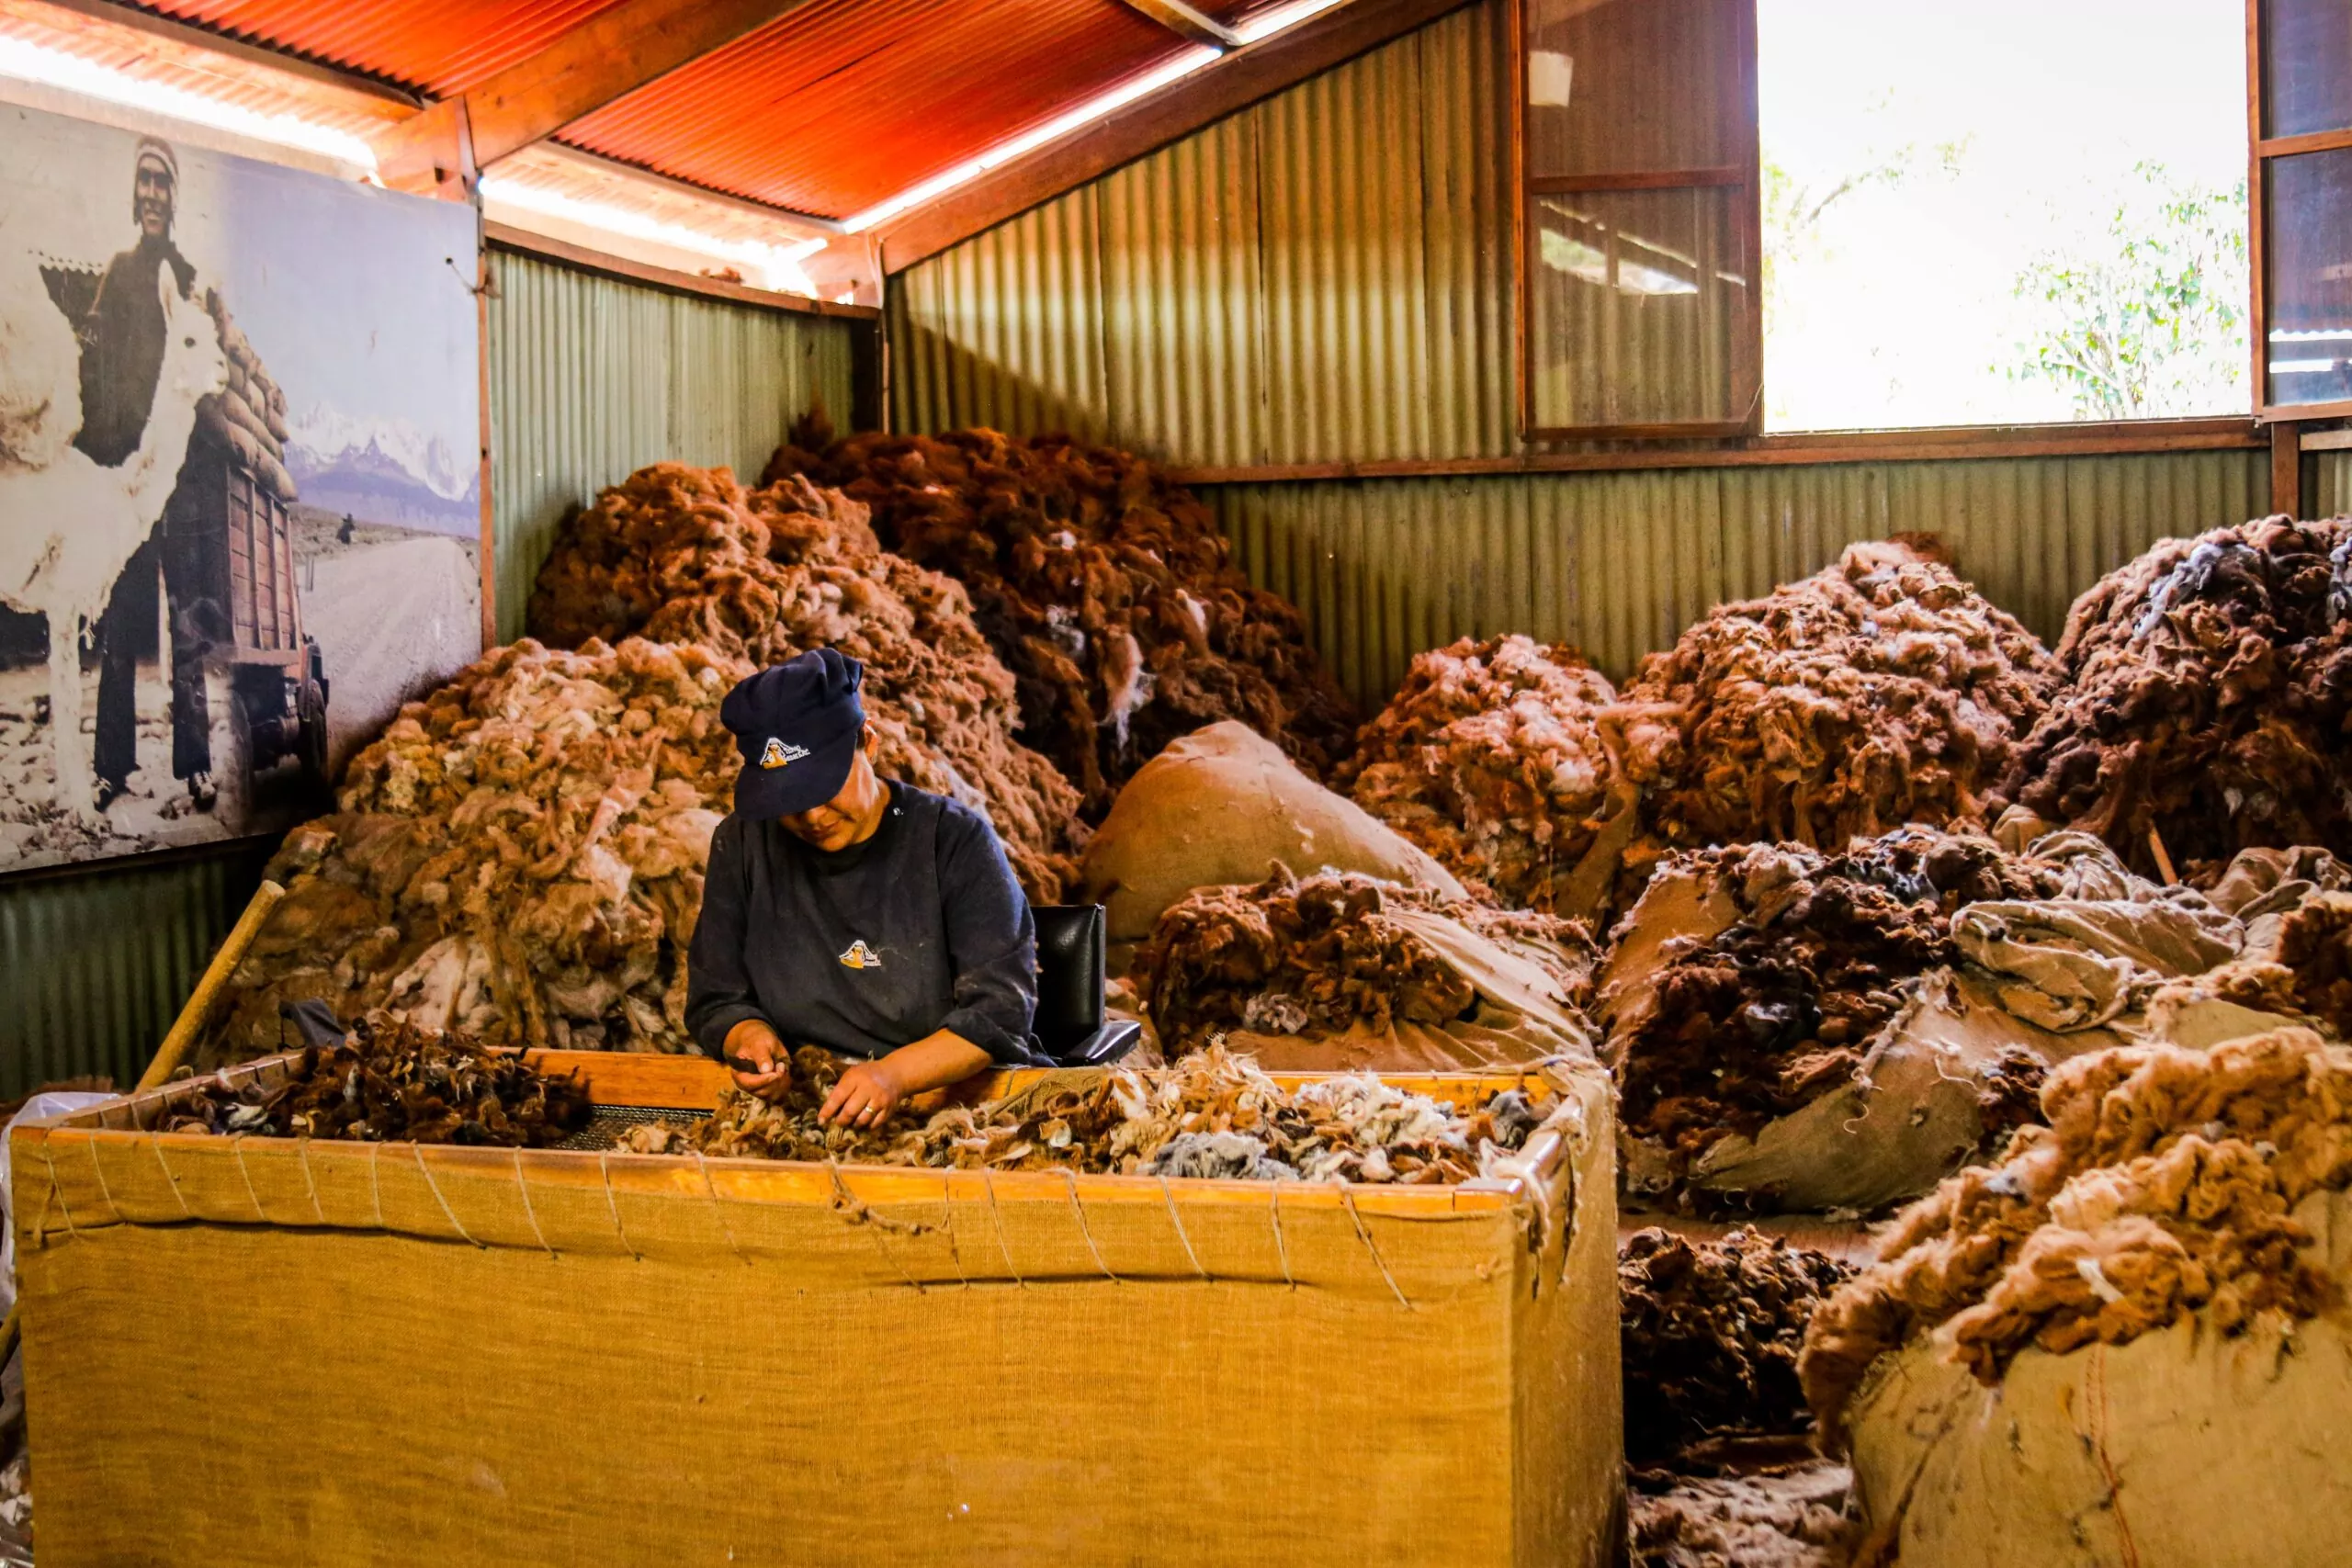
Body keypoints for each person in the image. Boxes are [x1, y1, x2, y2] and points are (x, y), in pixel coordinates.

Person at [685, 649, 1046, 1126]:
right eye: (788, 801)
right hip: (804, 1110)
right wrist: (747, 1037)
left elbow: (997, 1013)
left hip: (952, 1113)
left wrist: (892, 1076)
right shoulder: (743, 843)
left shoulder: (953, 841)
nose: (812, 818)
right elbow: (717, 997)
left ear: (869, 743)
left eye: (823, 788)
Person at [76, 136, 215, 814]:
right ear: (135, 195)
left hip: (180, 484)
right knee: (122, 625)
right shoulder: (117, 275)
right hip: (131, 485)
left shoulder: (189, 277)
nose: (154, 194)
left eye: (164, 182)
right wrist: (109, 467)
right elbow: (94, 377)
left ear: (175, 196)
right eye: (146, 182)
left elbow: (204, 377)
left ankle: (195, 765)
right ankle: (112, 766)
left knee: (187, 625)